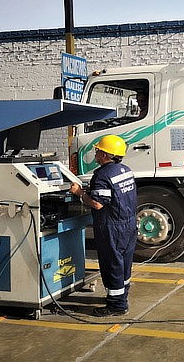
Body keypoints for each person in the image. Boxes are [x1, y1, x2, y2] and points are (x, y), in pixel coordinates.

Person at [69, 134, 137, 317]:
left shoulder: (102, 175)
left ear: (106, 154)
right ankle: (122, 296)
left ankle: (116, 306)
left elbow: (98, 203)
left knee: (112, 265)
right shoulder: (125, 170)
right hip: (129, 224)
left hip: (112, 227)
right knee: (124, 264)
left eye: (98, 150)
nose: (96, 153)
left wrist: (80, 193)